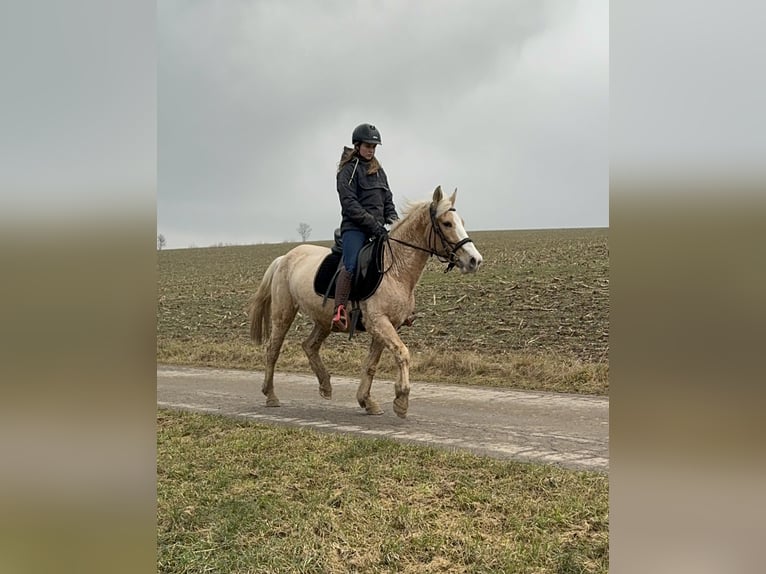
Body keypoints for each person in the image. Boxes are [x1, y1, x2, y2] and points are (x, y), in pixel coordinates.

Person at [332, 123, 399, 331]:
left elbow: (387, 198)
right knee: (351, 264)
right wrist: (373, 225)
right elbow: (350, 204)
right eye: (368, 145)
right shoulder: (348, 171)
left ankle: (398, 309)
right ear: (358, 145)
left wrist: (394, 220)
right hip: (355, 228)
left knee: (397, 263)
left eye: (374, 146)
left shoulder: (379, 171)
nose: (371, 149)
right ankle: (340, 310)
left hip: (378, 228)